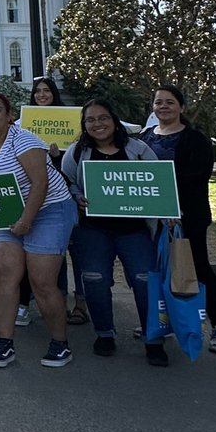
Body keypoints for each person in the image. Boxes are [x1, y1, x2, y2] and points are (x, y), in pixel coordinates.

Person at [0, 91, 77, 369]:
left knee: (42, 281)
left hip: (50, 210)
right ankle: (5, 342)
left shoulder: (24, 140)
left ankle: (60, 343)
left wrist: (27, 221)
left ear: (9, 116)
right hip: (10, 214)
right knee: (4, 275)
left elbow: (40, 183)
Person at [61, 99, 166, 366]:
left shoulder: (139, 150)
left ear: (114, 120)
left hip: (134, 230)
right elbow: (67, 182)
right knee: (94, 279)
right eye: (90, 119)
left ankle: (153, 339)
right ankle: (104, 334)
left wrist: (168, 211)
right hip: (93, 230)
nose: (97, 124)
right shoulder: (77, 151)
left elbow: (157, 182)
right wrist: (77, 197)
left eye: (103, 118)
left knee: (145, 280)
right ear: (84, 124)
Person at [140, 84, 216, 354]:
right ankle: (161, 322)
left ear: (181, 107)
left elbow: (197, 176)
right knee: (158, 271)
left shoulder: (194, 139)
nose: (163, 107)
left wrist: (175, 209)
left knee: (198, 268)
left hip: (187, 217)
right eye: (159, 102)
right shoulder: (145, 137)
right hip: (152, 218)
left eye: (169, 102)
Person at [25, 74, 87, 327]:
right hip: (42, 199)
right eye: (38, 91)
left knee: (78, 251)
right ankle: (57, 303)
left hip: (69, 193)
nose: (42, 95)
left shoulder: (71, 122)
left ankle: (81, 303)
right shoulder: (26, 125)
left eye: (46, 90)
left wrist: (58, 154)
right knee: (53, 254)